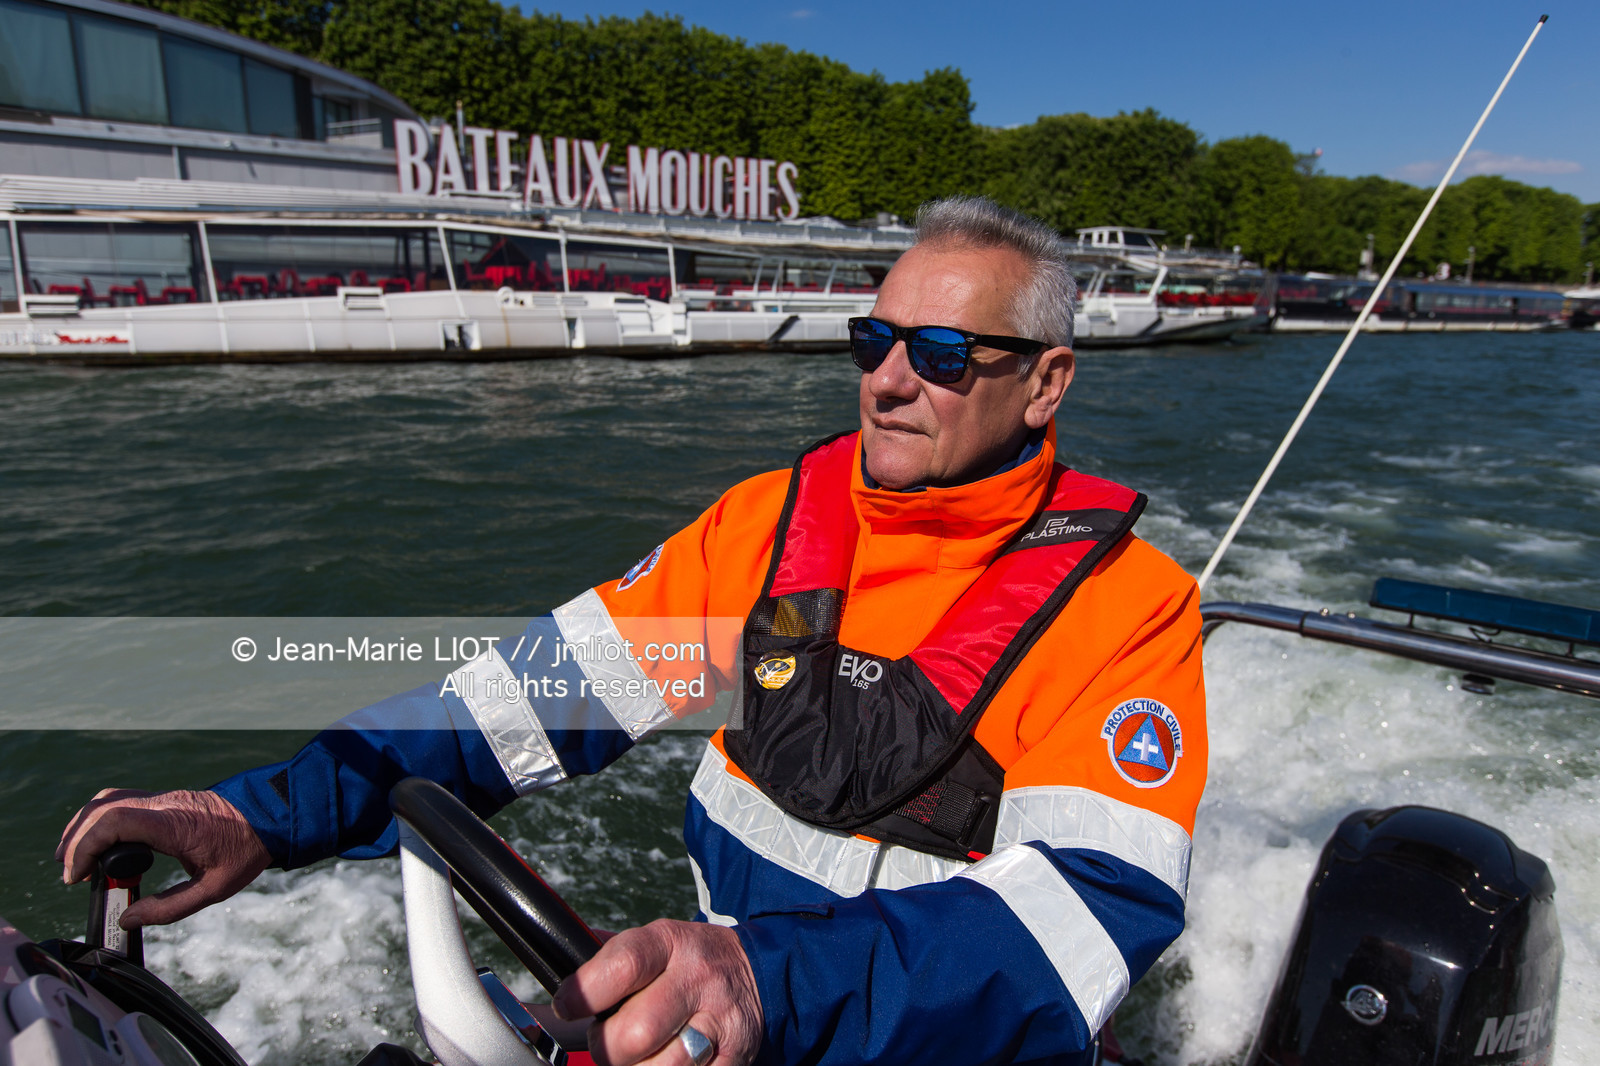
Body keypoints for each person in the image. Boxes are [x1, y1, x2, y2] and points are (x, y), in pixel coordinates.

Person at [58, 196, 1206, 1066]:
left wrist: (767, 983)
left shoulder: (1124, 604)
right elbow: (516, 705)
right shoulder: (764, 532)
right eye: (873, 340)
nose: (889, 382)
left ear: (1046, 383)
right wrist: (262, 809)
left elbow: (1082, 919)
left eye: (944, 355)